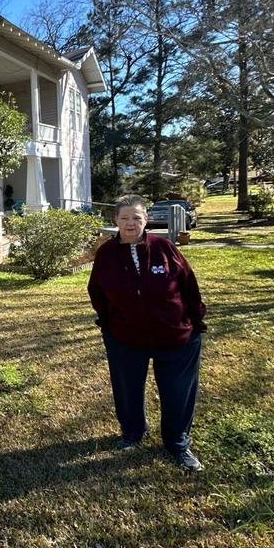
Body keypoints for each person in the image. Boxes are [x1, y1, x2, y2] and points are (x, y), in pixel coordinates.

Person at [87, 194, 207, 471]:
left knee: (177, 391)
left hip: (175, 336)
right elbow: (97, 291)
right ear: (115, 220)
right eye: (125, 218)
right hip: (126, 338)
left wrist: (196, 319)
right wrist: (109, 323)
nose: (131, 223)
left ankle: (177, 443)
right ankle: (132, 433)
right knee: (127, 389)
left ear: (146, 219)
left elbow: (189, 285)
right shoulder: (106, 254)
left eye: (137, 218)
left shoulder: (164, 247)